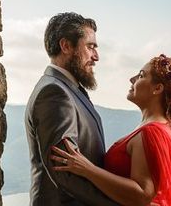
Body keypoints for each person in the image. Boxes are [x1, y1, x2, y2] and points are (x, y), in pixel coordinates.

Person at [51, 54, 171, 206]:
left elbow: (142, 195)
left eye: (141, 75)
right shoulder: (157, 127)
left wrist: (87, 169)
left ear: (157, 88)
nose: (132, 79)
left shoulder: (152, 131)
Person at [25, 12, 120, 205]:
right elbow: (65, 171)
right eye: (90, 46)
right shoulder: (54, 92)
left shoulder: (68, 89)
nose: (96, 56)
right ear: (66, 46)